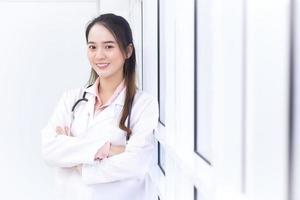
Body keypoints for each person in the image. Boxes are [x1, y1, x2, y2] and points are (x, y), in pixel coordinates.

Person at [41, 13, 158, 200]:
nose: (99, 55)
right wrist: (108, 149)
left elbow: (136, 163)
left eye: (109, 46)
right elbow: (48, 150)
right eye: (92, 47)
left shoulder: (143, 104)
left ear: (128, 51)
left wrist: (75, 159)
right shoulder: (71, 99)